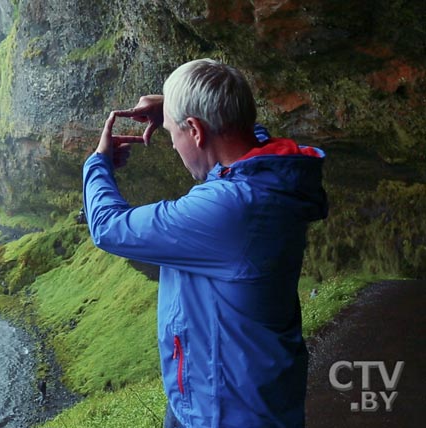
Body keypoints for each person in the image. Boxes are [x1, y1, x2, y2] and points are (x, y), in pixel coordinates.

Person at [82, 59, 328, 427]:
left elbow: (108, 226)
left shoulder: (230, 208)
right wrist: (172, 107)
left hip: (225, 413)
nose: (174, 146)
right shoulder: (269, 175)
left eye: (172, 132)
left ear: (195, 130)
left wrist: (98, 163)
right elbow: (242, 130)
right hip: (225, 395)